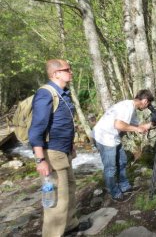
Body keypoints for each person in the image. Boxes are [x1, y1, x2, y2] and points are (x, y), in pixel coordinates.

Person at [29, 59, 90, 237]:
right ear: (56, 74)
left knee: (69, 189)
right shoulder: (45, 94)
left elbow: (63, 124)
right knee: (56, 198)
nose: (71, 72)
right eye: (67, 70)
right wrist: (40, 159)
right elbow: (37, 129)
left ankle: (70, 225)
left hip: (63, 151)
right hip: (51, 153)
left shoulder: (63, 93)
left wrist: (70, 146)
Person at [92, 90, 154, 202]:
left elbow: (136, 125)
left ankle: (124, 186)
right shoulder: (126, 107)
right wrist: (137, 129)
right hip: (104, 138)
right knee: (110, 168)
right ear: (145, 101)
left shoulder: (131, 107)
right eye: (148, 104)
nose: (147, 107)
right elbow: (118, 125)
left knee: (122, 161)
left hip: (112, 137)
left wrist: (151, 124)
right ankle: (114, 192)